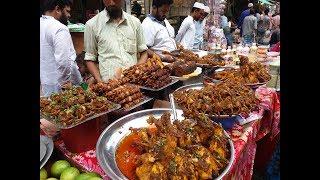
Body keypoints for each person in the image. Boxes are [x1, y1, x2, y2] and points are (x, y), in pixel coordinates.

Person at [84, 0, 149, 82]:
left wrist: (136, 72)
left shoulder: (135, 23)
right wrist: (100, 81)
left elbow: (144, 52)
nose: (111, 2)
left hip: (135, 85)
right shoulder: (92, 25)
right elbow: (90, 59)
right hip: (109, 86)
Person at [40, 0, 83, 97]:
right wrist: (74, 83)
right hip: (61, 87)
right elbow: (65, 62)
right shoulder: (59, 28)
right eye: (67, 11)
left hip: (46, 83)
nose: (69, 15)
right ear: (58, 9)